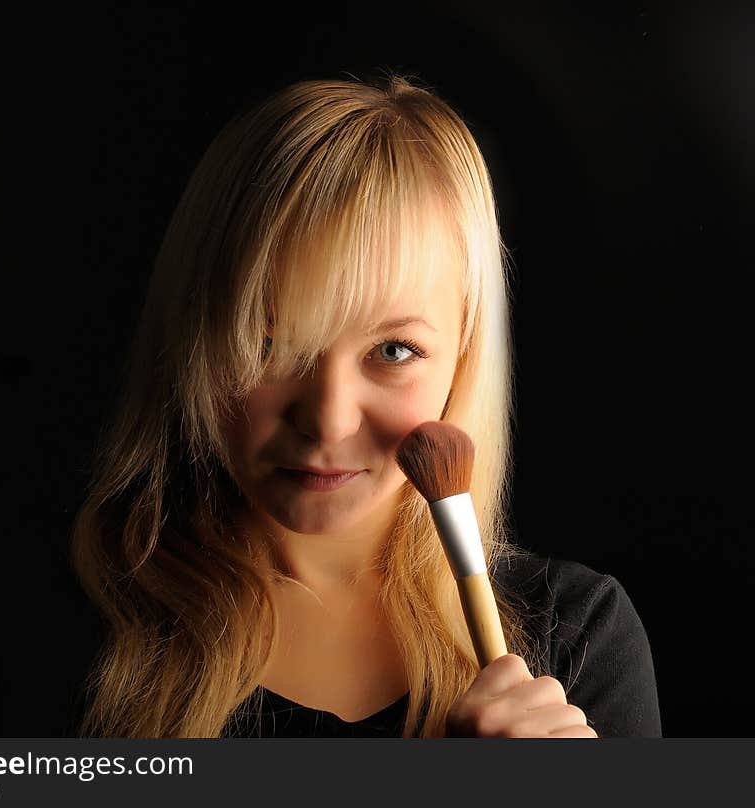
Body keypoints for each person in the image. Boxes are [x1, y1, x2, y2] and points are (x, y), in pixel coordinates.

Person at [70, 72, 661, 738]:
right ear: (192, 339)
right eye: (268, 346)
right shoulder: (83, 626)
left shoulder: (580, 637)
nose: (328, 420)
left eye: (394, 351)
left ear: (464, 357)